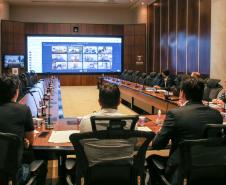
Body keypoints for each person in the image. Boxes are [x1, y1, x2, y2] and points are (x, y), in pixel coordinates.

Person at [147, 77, 223, 185]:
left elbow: (157, 144)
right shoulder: (217, 115)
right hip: (208, 166)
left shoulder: (175, 114)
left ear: (182, 93)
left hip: (181, 168)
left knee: (151, 159)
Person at [0, 75, 46, 185]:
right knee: (41, 163)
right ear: (16, 92)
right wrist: (24, 142)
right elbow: (31, 142)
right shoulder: (23, 110)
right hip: (16, 169)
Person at [80, 83, 135, 166]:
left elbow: (82, 143)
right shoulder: (131, 121)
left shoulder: (86, 121)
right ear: (120, 101)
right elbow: (134, 142)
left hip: (94, 173)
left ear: (99, 102)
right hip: (125, 173)